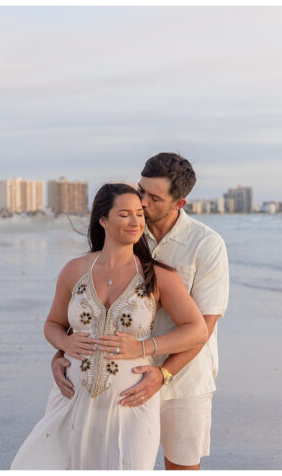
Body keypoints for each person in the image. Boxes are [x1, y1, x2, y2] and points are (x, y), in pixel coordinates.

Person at [51, 153, 230, 470]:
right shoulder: (129, 230)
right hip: (120, 382)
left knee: (180, 467)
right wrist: (63, 354)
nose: (142, 203)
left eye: (153, 197)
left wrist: (162, 374)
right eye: (141, 190)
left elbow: (204, 326)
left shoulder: (207, 244)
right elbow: (85, 310)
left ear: (179, 203)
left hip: (183, 380)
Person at [11, 183, 209, 470]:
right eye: (125, 214)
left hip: (131, 404)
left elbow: (197, 329)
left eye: (140, 214)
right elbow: (52, 324)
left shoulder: (158, 275)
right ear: (103, 219)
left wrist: (145, 347)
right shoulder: (74, 270)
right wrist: (64, 345)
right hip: (71, 399)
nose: (136, 222)